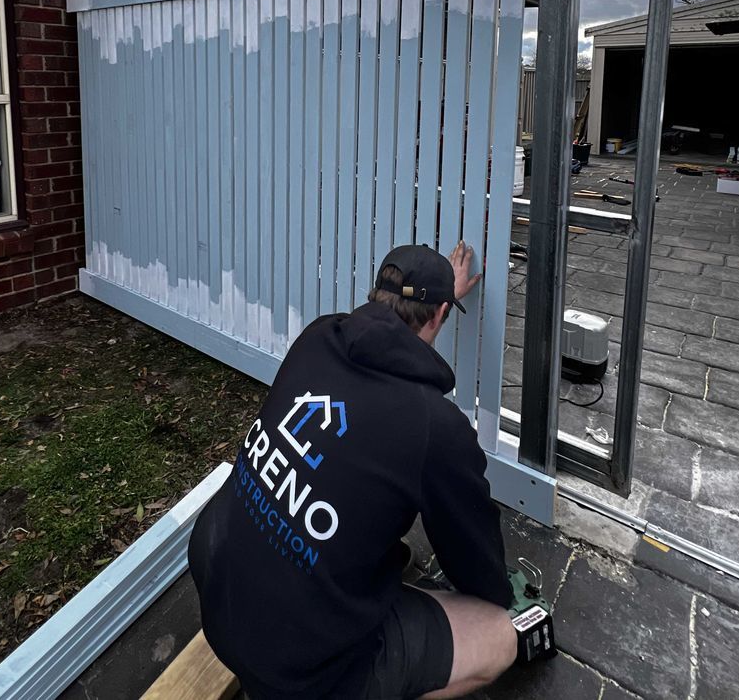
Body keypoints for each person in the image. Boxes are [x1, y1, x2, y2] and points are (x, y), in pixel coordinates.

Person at [188, 242, 516, 699]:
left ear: (376, 294)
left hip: (217, 586)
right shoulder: (431, 425)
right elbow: (475, 562)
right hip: (298, 670)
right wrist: (501, 595)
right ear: (441, 314)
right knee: (499, 637)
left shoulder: (318, 336)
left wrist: (439, 291)